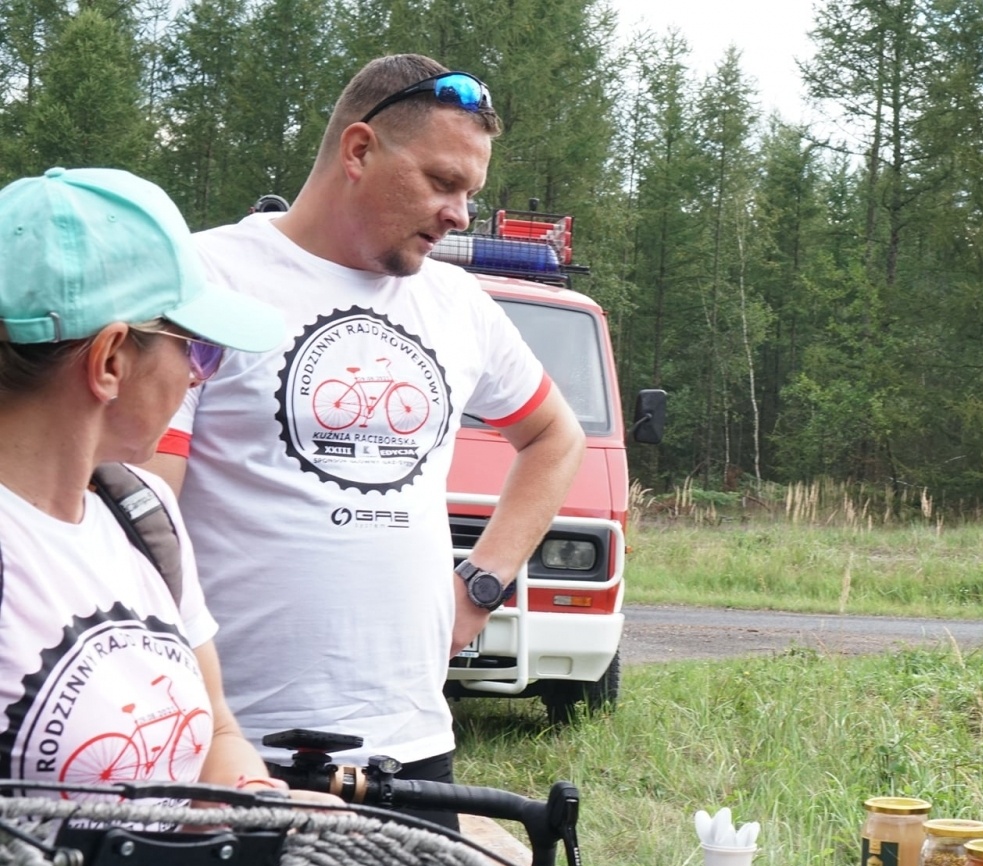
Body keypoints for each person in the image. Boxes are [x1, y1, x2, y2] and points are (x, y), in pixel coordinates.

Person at [143, 55, 587, 812]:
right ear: (358, 151)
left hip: (412, 748)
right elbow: (143, 511)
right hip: (233, 749)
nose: (460, 214)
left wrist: (479, 586)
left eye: (471, 193)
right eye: (443, 182)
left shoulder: (457, 302)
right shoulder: (208, 279)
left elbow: (555, 438)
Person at [0, 166, 289, 798]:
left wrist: (265, 812)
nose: (199, 376)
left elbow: (216, 732)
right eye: (198, 349)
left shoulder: (142, 511)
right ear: (109, 362)